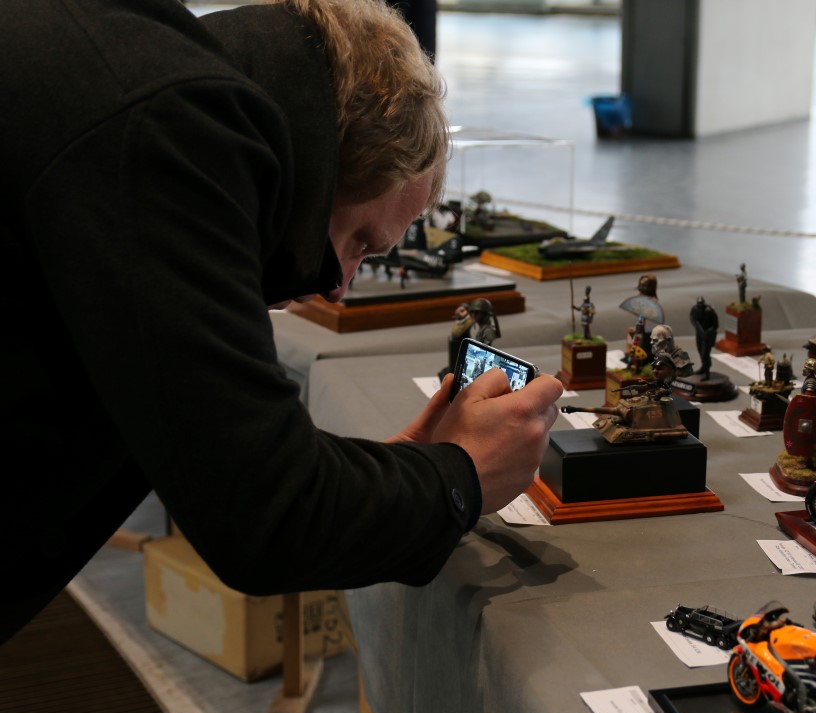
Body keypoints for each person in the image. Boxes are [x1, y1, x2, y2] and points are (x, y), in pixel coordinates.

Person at [1, 0, 562, 644]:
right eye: (359, 244)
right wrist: (462, 474)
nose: (338, 287)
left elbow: (220, 451)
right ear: (335, 161)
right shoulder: (172, 126)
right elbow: (266, 513)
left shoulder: (138, 72)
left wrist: (391, 476)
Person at [689, 296, 719, 380]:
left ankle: (707, 373)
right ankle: (704, 367)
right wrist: (698, 327)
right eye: (698, 305)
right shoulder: (695, 309)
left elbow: (715, 325)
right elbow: (692, 318)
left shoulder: (710, 311)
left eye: (701, 306)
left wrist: (708, 331)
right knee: (700, 351)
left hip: (708, 336)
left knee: (705, 354)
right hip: (699, 335)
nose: (700, 307)